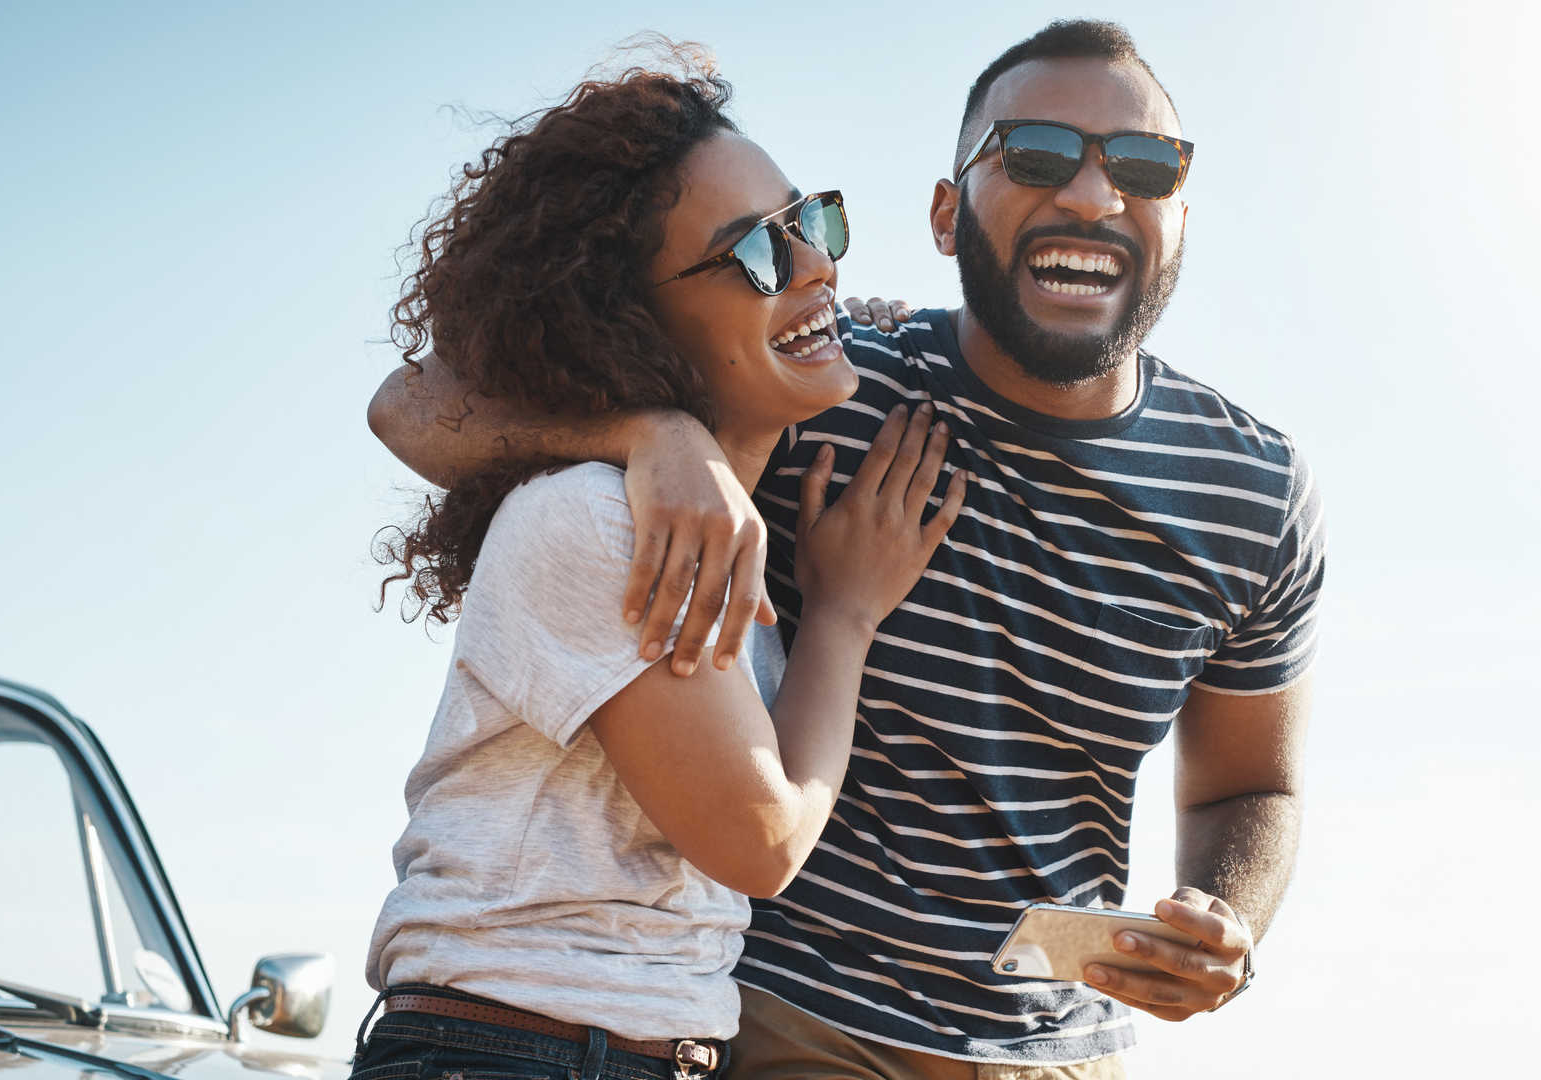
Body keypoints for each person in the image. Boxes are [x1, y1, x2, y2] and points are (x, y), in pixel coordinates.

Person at [369, 19, 1324, 1079]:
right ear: (947, 214)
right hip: (783, 1022)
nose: (1094, 196)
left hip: (1057, 1045)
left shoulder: (1258, 493)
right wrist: (655, 435)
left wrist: (1229, 923)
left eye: (1144, 165)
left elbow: (1254, 786)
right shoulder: (812, 383)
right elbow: (414, 404)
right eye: (1037, 155)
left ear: (1182, 214)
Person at [353, 48, 967, 1080]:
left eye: (811, 223)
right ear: (632, 319)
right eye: (757, 254)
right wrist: (847, 615)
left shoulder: (694, 520)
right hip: (523, 1049)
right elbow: (762, 843)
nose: (813, 266)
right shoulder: (599, 520)